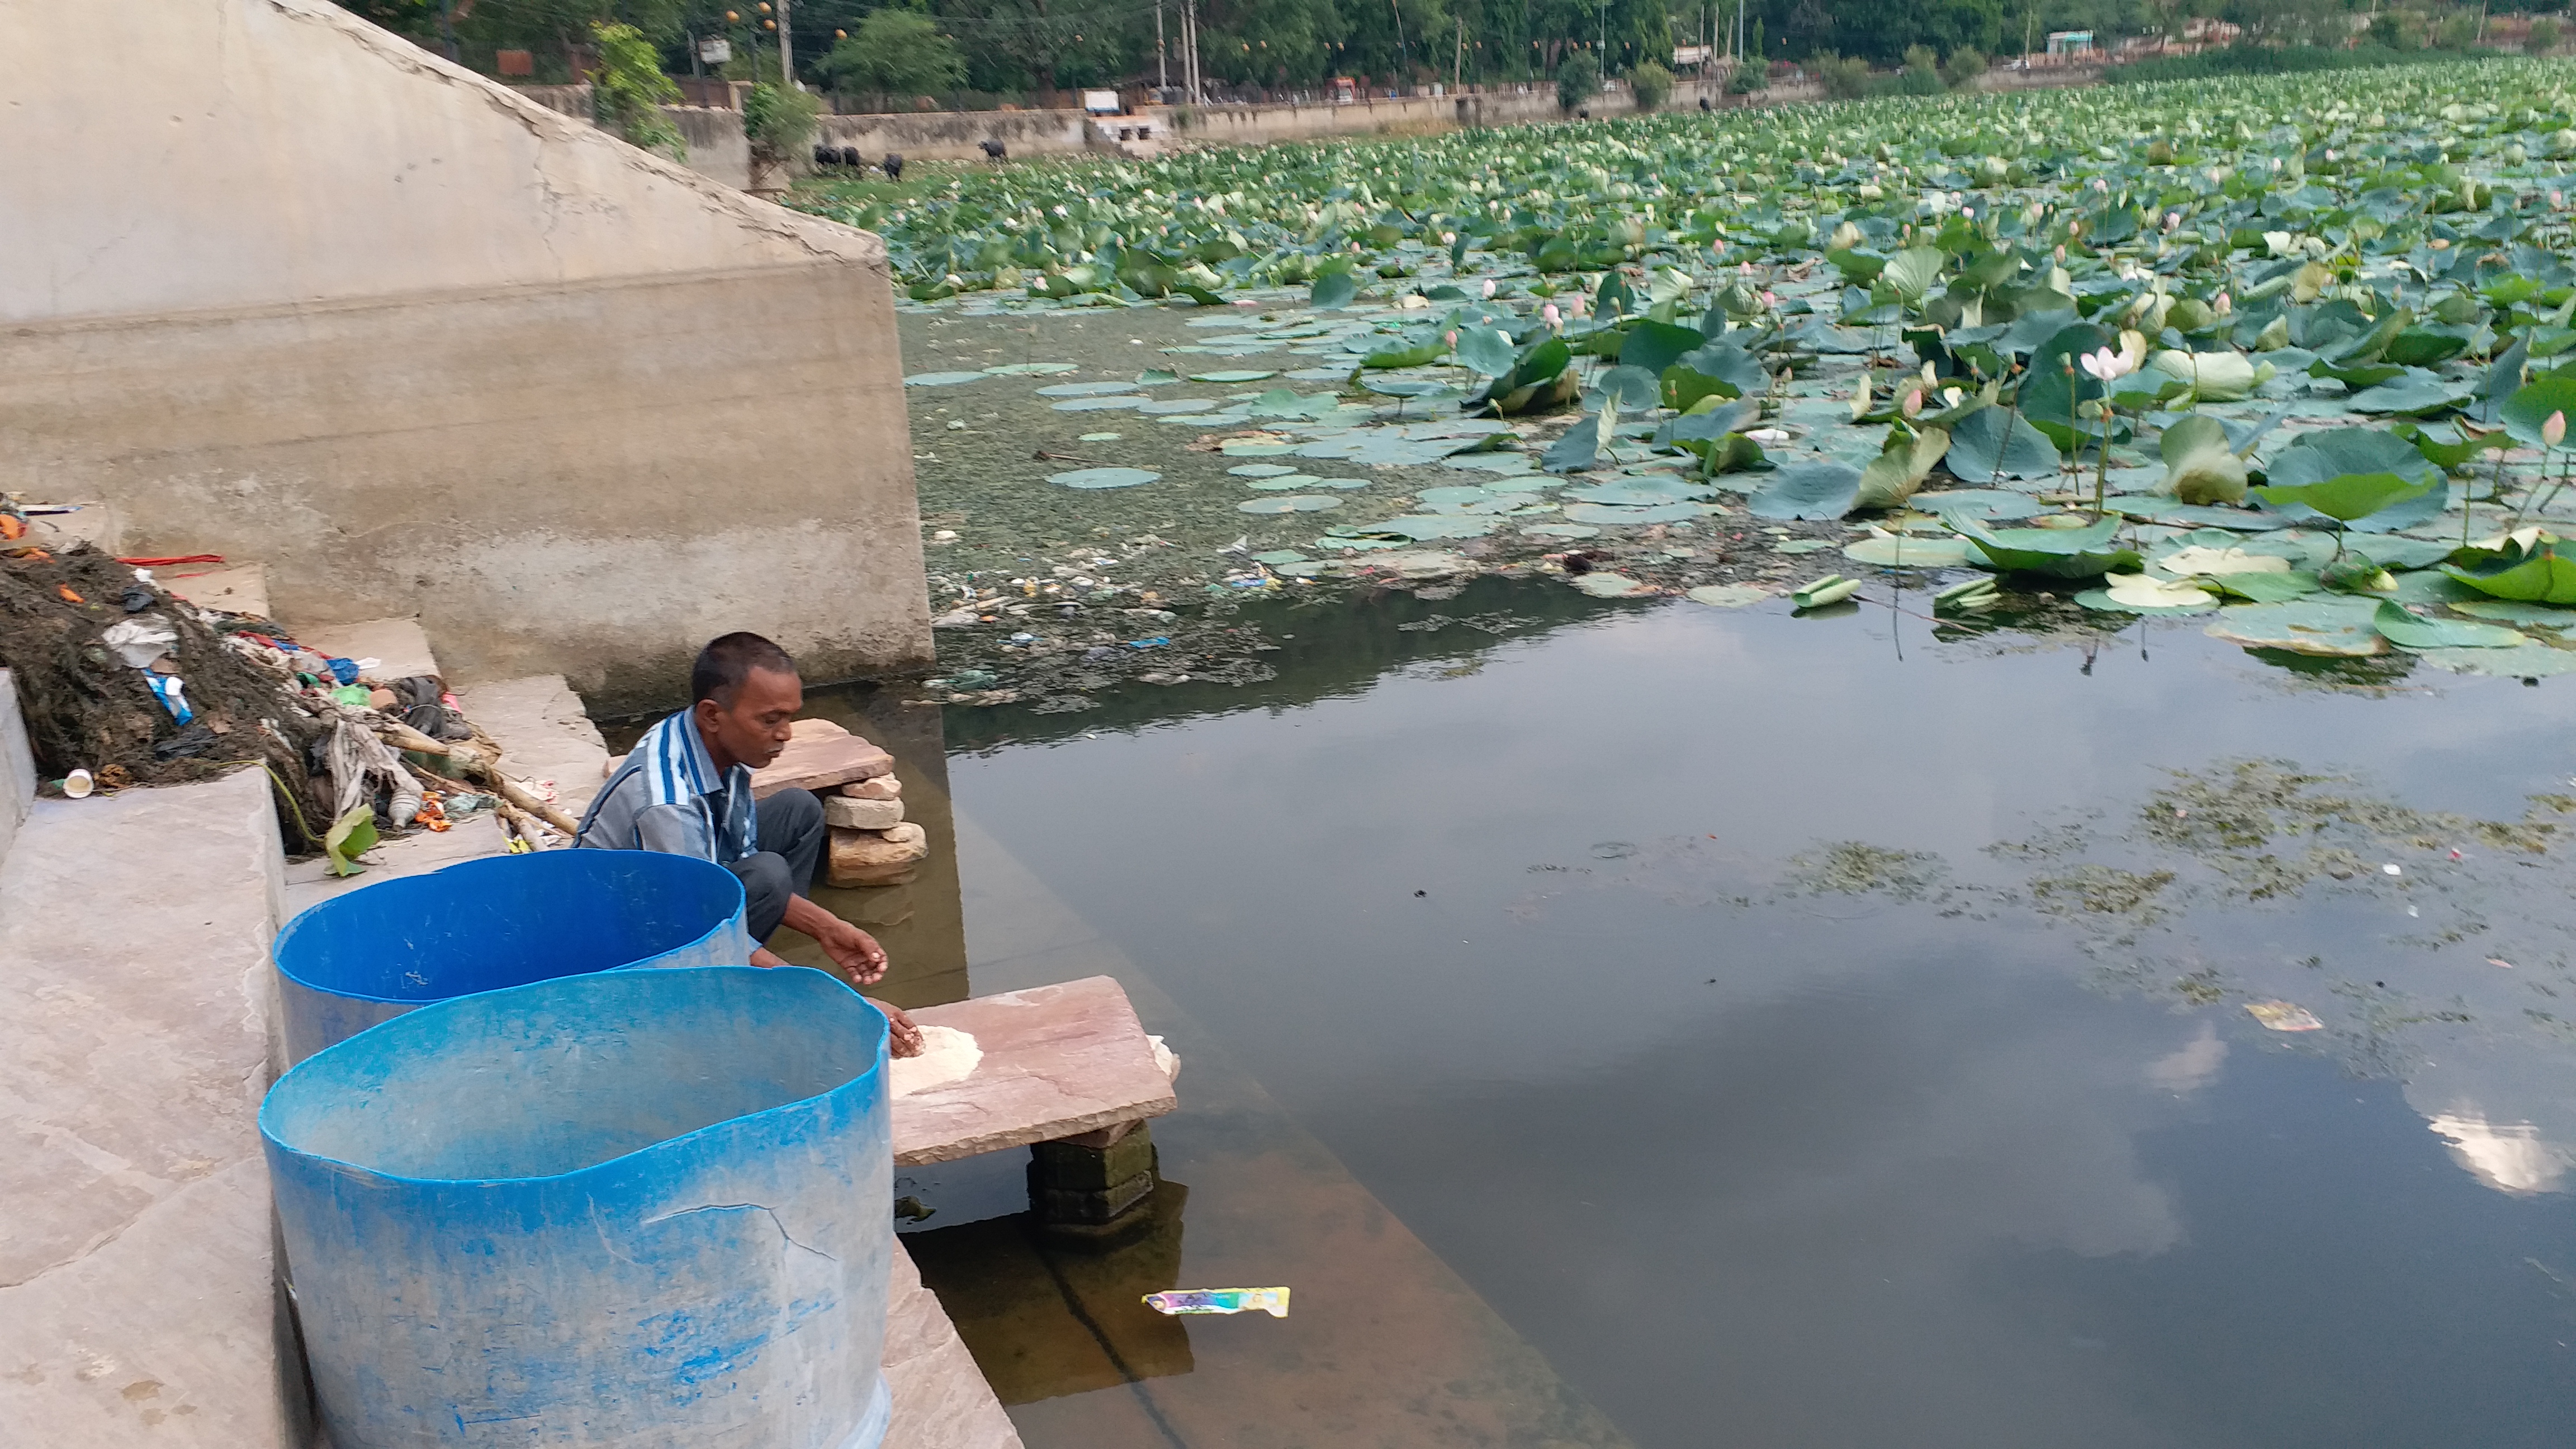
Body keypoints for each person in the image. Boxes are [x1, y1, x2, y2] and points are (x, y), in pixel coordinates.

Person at [576, 632, 924, 1056]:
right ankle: (746, 990)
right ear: (712, 714)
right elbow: (699, 926)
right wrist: (835, 1002)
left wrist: (831, 929)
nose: (786, 734)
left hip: (678, 889)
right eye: (770, 719)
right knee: (768, 875)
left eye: (790, 717)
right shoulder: (669, 803)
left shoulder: (711, 746)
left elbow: (736, 856)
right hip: (623, 943)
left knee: (798, 810)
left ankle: (759, 966)